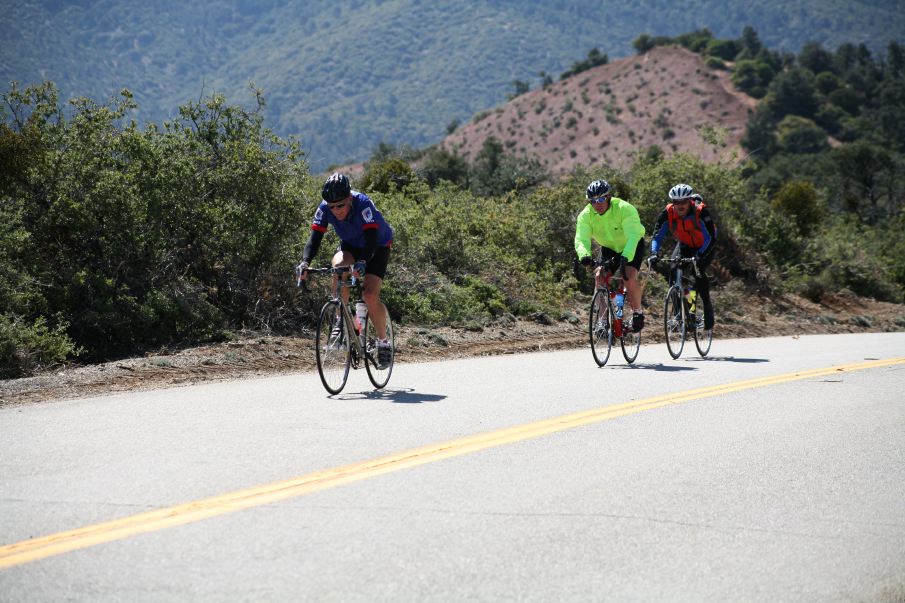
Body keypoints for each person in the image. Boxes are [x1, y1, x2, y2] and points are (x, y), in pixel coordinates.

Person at [296, 173, 394, 366]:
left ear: (349, 198)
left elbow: (372, 236)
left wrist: (364, 261)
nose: (336, 211)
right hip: (351, 244)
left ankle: (383, 342)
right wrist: (305, 262)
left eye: (340, 205)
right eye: (332, 207)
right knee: (339, 268)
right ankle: (340, 321)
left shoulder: (363, 203)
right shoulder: (325, 208)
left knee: (370, 295)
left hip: (377, 244)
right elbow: (315, 238)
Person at [574, 179, 647, 331]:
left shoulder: (624, 208)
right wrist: (584, 255)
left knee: (628, 276)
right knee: (599, 276)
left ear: (608, 197)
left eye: (601, 199)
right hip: (608, 248)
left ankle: (638, 313)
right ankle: (602, 319)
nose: (597, 204)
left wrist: (626, 256)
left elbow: (633, 236)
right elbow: (581, 239)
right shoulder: (586, 215)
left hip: (631, 244)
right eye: (593, 201)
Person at [648, 183, 718, 331]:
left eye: (683, 202)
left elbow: (711, 237)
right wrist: (654, 253)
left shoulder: (701, 211)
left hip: (705, 246)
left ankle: (706, 306)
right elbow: (656, 236)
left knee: (697, 273)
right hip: (685, 245)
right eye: (676, 202)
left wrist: (699, 255)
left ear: (690, 201)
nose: (680, 206)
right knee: (673, 269)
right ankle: (677, 316)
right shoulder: (667, 213)